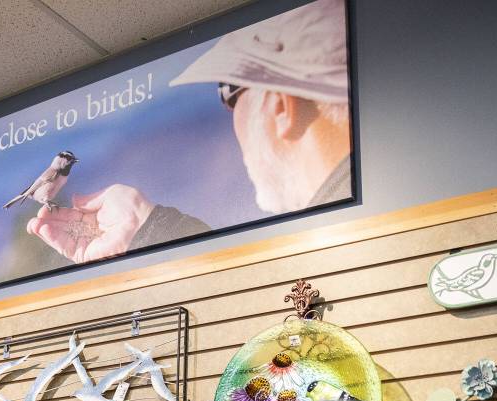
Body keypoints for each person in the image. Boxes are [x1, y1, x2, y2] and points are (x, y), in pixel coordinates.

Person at [28, 0, 350, 264]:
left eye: (227, 91)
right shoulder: (338, 242)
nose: (228, 114)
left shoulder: (329, 248)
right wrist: (144, 225)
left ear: (281, 106)